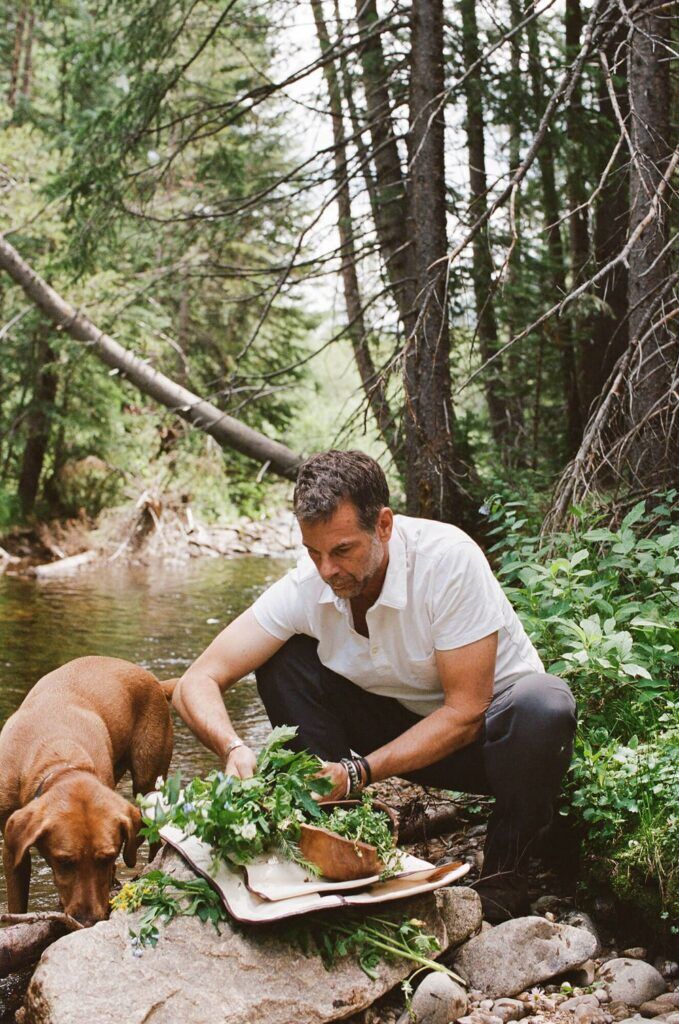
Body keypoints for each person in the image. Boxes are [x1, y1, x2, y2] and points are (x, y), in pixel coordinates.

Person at [173, 449, 576, 922]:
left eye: (342, 550)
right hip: (395, 728)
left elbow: (466, 712)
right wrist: (234, 747)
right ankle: (335, 837)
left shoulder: (447, 561)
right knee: (282, 659)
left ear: (383, 525)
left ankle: (505, 875)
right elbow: (196, 679)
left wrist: (359, 770)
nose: (327, 570)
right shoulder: (311, 584)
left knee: (545, 706)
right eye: (313, 552)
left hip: (492, 743)